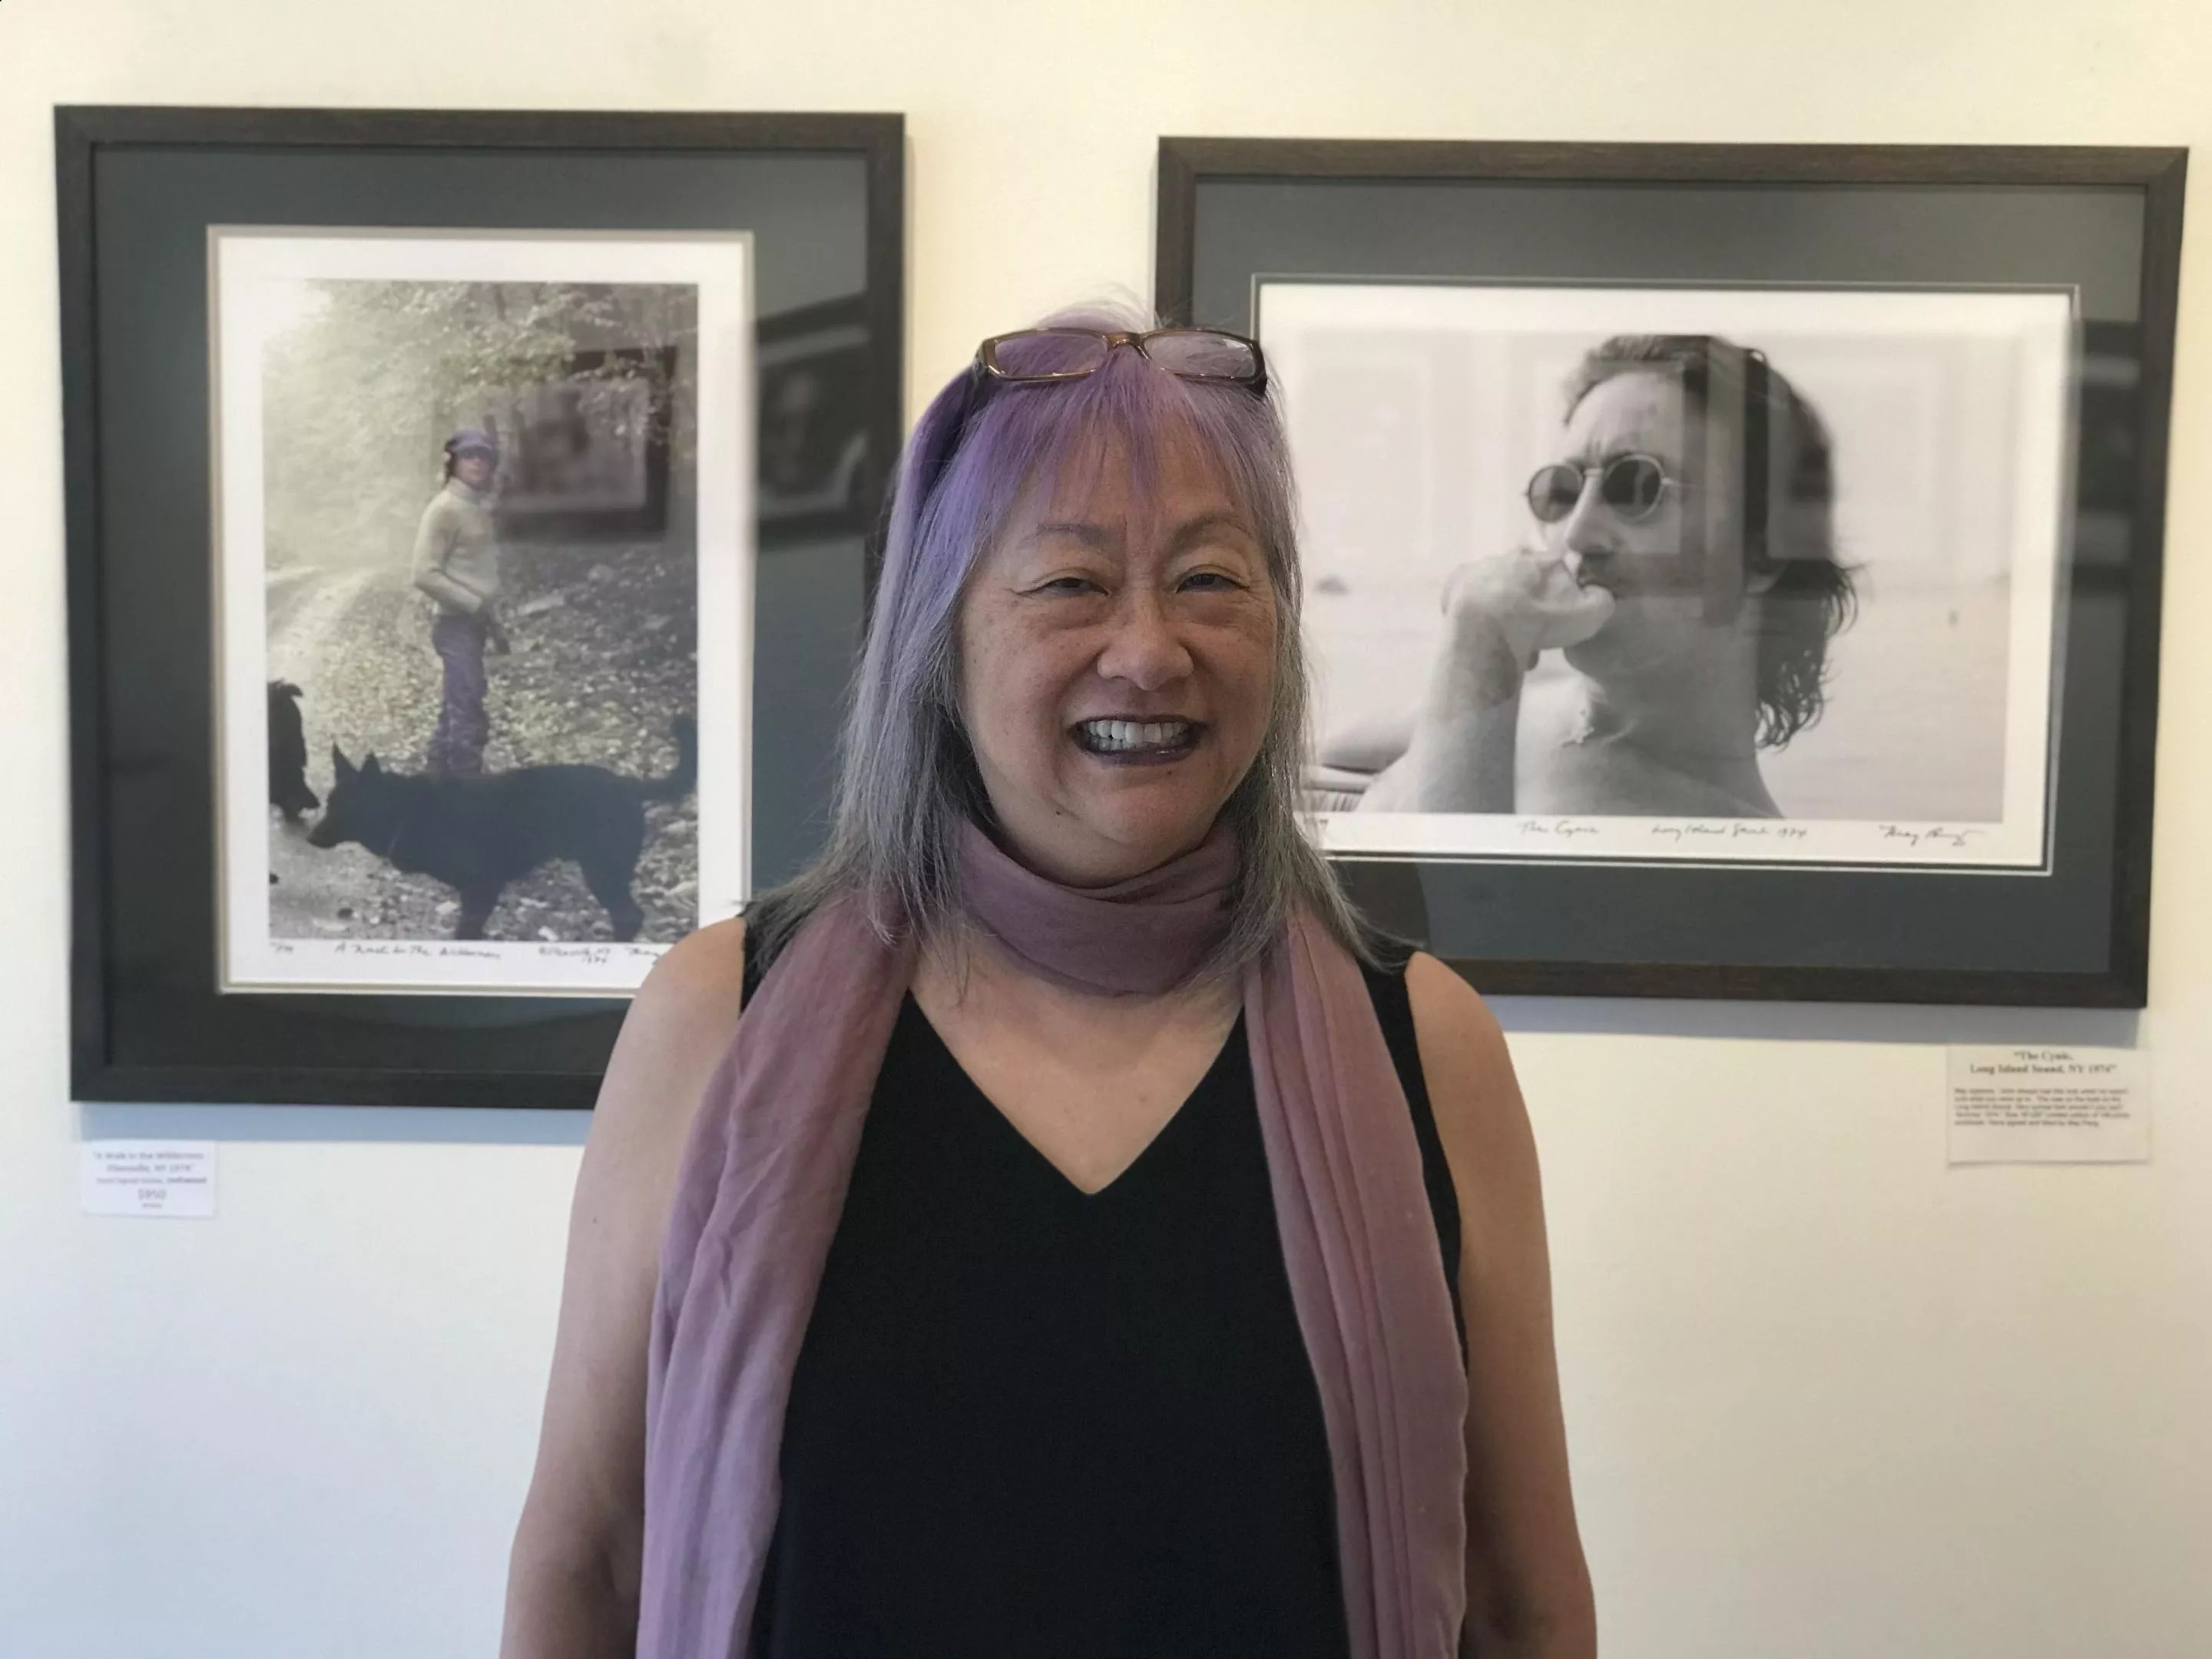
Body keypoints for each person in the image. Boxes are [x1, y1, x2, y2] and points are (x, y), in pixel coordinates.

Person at [500, 307, 1594, 1659]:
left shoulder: (1429, 1046)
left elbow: (1523, 1604)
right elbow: (591, 1569)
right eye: (1071, 583)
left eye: (1212, 580)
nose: (1148, 650)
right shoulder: (716, 1016)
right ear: (939, 637)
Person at [1347, 334, 1856, 818]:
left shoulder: (1728, 843)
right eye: (1561, 491)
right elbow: (1310, 766)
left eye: (1636, 487)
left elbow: (1434, 908)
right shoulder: (1526, 698)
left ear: (1763, 551)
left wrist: (1482, 633)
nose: (1575, 534)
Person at [411, 426, 511, 777]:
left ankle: (434, 785)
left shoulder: (475, 508)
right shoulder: (444, 509)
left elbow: (480, 574)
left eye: (484, 458)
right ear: (453, 463)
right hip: (455, 626)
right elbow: (424, 573)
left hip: (474, 625)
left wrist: (495, 627)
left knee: (453, 710)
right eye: (470, 456)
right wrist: (471, 604)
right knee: (468, 715)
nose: (478, 463)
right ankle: (466, 800)